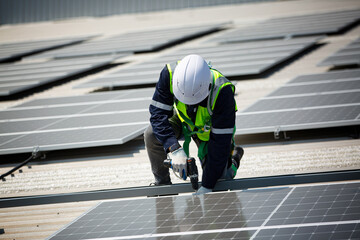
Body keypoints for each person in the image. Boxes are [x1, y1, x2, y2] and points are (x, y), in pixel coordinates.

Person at [144, 54, 243, 195]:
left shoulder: (223, 91)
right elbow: (157, 115)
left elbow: (219, 143)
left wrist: (207, 185)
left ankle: (234, 158)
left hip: (209, 132)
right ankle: (163, 187)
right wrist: (174, 148)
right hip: (184, 122)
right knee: (151, 134)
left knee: (220, 179)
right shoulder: (170, 74)